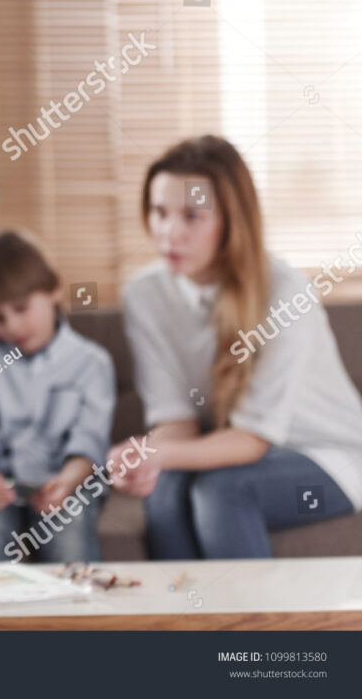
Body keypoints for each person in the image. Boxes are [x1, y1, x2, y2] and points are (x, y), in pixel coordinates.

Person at [110, 134, 362, 558]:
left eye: (192, 216)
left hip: (328, 456)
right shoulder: (145, 295)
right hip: (229, 451)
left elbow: (250, 441)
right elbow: (178, 421)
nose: (169, 232)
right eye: (159, 212)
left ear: (231, 221)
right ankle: (186, 622)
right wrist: (145, 458)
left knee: (223, 492)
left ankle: (250, 624)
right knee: (166, 491)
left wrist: (155, 454)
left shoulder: (285, 293)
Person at [0, 230, 116, 564]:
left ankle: (74, 617)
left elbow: (90, 441)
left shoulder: (91, 363)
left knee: (70, 531)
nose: (12, 326)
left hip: (67, 480)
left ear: (54, 289)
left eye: (21, 308)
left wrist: (67, 482)